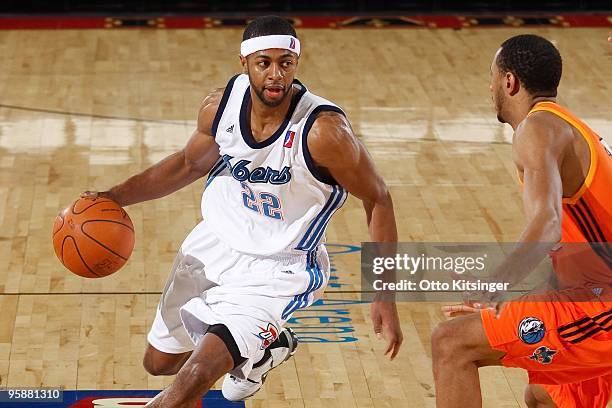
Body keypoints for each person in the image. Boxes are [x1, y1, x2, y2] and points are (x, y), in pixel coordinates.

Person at [83, 15, 402, 407]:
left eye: (285, 63)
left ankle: (249, 342)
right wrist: (113, 197)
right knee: (160, 363)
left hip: (275, 269)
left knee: (194, 379)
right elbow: (188, 164)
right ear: (244, 62)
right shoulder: (220, 108)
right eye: (264, 62)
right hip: (212, 245)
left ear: (295, 64)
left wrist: (385, 293)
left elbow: (379, 198)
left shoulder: (324, 132)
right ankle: (264, 350)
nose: (275, 75)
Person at [432, 34, 611, 408]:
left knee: (451, 343)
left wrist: (494, 286)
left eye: (493, 77)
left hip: (602, 310)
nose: (490, 86)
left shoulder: (537, 129)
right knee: (546, 394)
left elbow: (547, 226)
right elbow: (580, 249)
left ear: (509, 82)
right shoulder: (568, 127)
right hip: (591, 297)